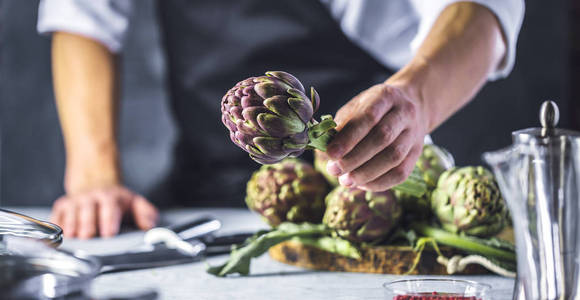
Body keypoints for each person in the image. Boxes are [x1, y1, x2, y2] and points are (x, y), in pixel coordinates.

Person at [37, 0, 524, 239]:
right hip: (203, 189)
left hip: (374, 188)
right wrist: (94, 177)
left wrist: (415, 97)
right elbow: (82, 16)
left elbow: (481, 11)